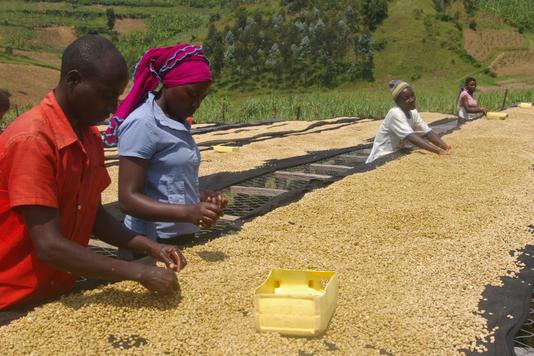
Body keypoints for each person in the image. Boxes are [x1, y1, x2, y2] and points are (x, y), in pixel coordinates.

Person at [0, 35, 187, 315]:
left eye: (117, 96)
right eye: (106, 95)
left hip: (57, 291)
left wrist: (152, 247)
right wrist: (137, 272)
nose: (113, 107)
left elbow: (94, 216)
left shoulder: (89, 137)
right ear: (74, 81)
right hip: (14, 299)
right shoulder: (33, 140)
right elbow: (48, 245)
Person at [104, 44, 226, 245]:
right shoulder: (144, 123)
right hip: (149, 242)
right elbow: (128, 199)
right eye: (191, 94)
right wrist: (188, 212)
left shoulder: (177, 121)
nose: (195, 105)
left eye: (202, 98)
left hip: (178, 237)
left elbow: (167, 183)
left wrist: (199, 198)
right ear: (169, 84)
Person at [366, 80, 451, 164]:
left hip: (397, 154)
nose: (412, 99)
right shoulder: (395, 113)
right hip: (381, 158)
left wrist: (445, 147)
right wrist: (438, 151)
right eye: (406, 98)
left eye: (412, 95)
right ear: (397, 102)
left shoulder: (413, 112)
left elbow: (427, 133)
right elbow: (411, 137)